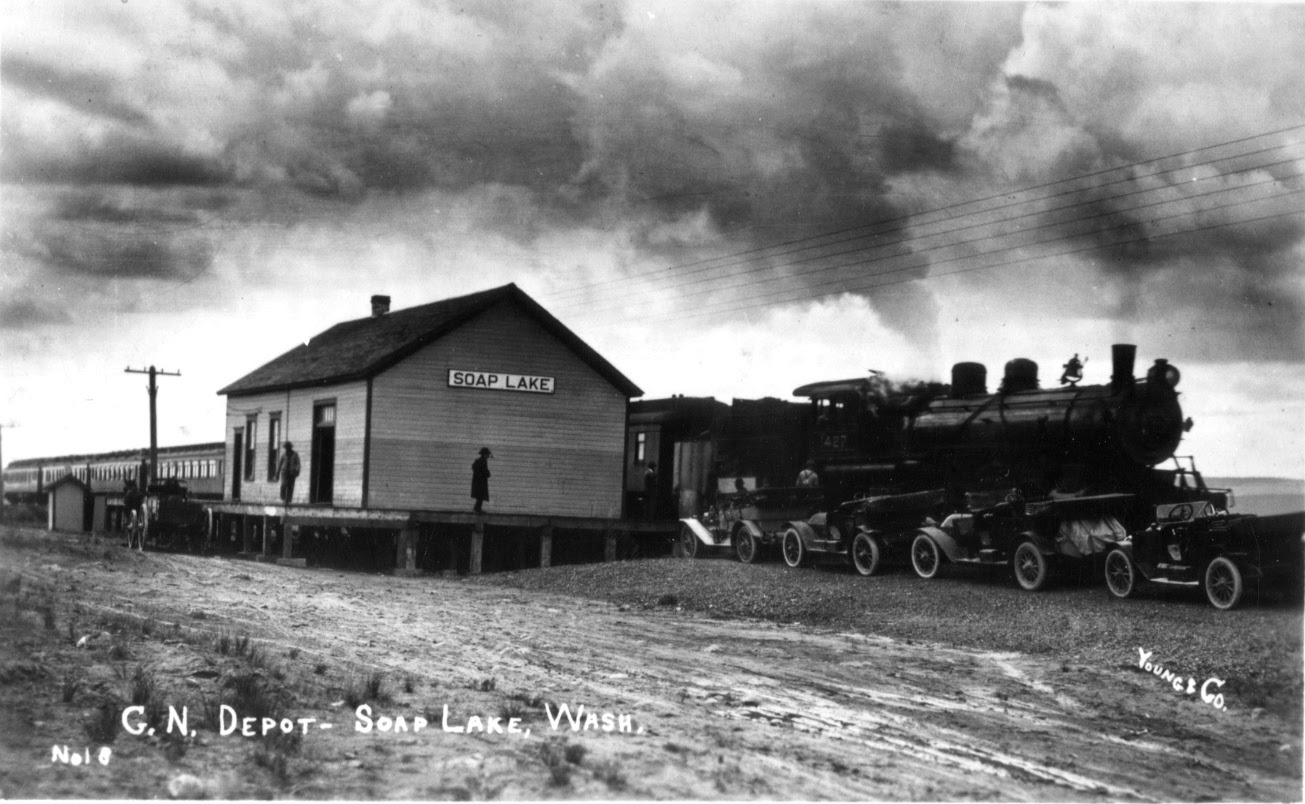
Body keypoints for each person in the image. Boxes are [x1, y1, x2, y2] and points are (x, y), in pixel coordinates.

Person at [123, 479, 145, 551]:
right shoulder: (139, 493)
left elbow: (125, 502)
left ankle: (127, 524)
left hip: (130, 512)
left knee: (126, 511)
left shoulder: (129, 493)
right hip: (138, 512)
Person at [472, 447, 492, 513]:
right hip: (481, 481)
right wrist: (487, 473)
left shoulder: (478, 461)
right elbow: (484, 471)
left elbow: (475, 468)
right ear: (484, 454)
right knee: (480, 495)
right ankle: (477, 508)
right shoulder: (482, 461)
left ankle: (477, 508)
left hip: (478, 481)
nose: (488, 456)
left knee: (479, 496)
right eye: (487, 454)